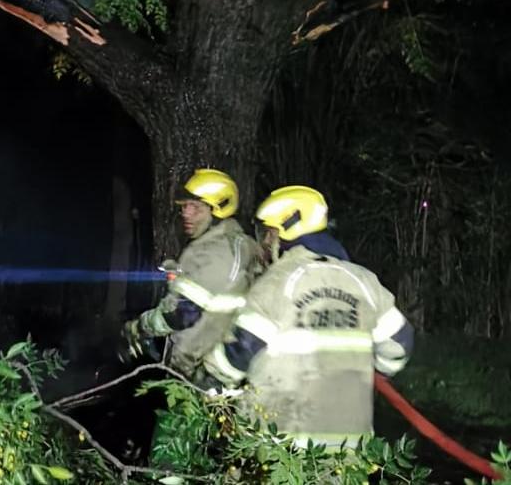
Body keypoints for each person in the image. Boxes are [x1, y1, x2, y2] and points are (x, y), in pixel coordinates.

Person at [203, 185, 413, 450]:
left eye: (267, 233)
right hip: (348, 449)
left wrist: (209, 380)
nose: (264, 243)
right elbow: (399, 346)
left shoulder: (276, 282)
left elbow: (239, 352)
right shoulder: (365, 281)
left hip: (280, 448)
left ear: (285, 231)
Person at [120, 168, 262, 377]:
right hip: (206, 361)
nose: (186, 214)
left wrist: (138, 328)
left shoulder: (219, 251)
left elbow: (183, 314)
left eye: (195, 208)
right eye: (184, 206)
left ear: (219, 210)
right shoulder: (234, 244)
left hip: (200, 369)